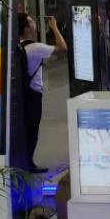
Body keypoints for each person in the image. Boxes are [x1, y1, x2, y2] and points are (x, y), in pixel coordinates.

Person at [18, 13, 67, 174]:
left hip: (20, 94)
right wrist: (54, 27)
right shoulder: (36, 48)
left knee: (24, 129)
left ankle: (22, 161)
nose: (34, 24)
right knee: (32, 130)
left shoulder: (17, 46)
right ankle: (29, 163)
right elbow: (62, 47)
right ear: (26, 28)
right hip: (33, 94)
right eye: (31, 22)